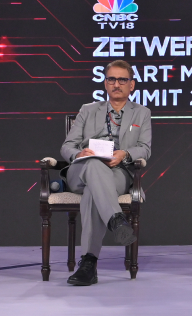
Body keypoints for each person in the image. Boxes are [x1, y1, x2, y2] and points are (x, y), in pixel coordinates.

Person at [60, 59, 152, 286]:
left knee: (93, 192)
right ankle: (116, 219)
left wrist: (125, 154)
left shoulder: (142, 113)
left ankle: (88, 264)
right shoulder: (88, 110)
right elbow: (67, 146)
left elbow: (145, 148)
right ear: (105, 83)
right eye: (111, 79)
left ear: (132, 84)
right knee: (93, 164)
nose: (116, 84)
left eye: (122, 80)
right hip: (82, 170)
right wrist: (79, 154)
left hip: (117, 171)